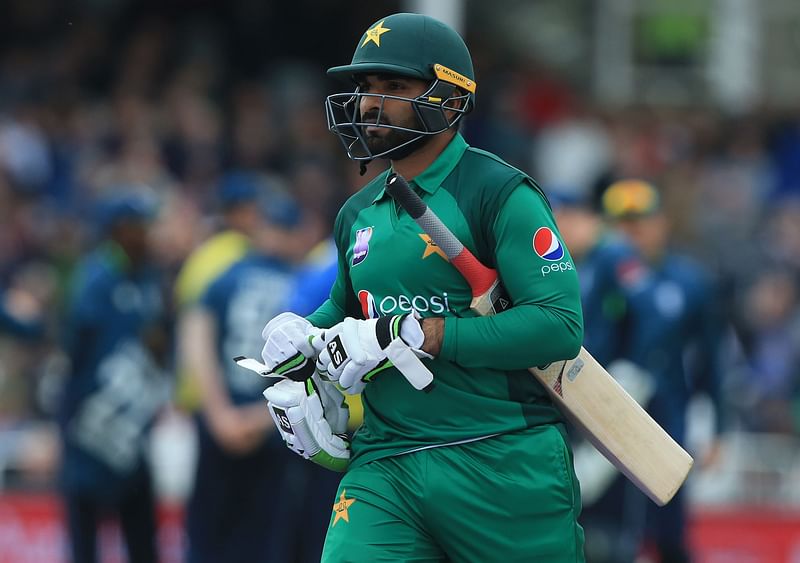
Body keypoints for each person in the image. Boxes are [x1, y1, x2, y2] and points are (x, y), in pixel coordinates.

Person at [259, 12, 585, 562]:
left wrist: (424, 333)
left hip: (500, 461)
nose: (368, 103)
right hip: (385, 462)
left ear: (449, 99)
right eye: (364, 88)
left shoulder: (498, 192)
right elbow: (347, 308)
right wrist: (300, 339)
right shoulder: (357, 213)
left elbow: (559, 326)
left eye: (393, 87)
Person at [181, 192, 326, 562]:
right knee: (262, 541)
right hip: (274, 424)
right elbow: (313, 371)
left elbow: (196, 336)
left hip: (220, 419)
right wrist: (257, 419)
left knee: (207, 536)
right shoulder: (303, 284)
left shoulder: (229, 273)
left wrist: (219, 414)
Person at [601, 179, 725, 563]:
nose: (632, 232)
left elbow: (712, 357)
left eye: (641, 221)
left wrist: (719, 428)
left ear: (662, 224)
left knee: (669, 530)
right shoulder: (592, 275)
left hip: (668, 414)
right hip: (605, 415)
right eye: (623, 223)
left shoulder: (690, 281)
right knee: (607, 530)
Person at [59, 192, 170, 563]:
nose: (146, 234)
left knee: (141, 532)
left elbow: (158, 340)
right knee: (85, 532)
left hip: (133, 426)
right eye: (138, 227)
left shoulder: (148, 276)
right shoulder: (96, 278)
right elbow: (75, 351)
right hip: (94, 426)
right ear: (118, 231)